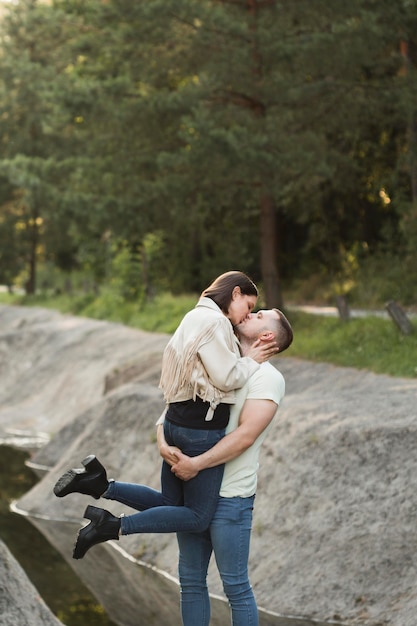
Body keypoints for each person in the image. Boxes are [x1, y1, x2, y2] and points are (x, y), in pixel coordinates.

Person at [53, 271, 278, 559]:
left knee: (169, 501)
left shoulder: (193, 317)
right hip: (200, 429)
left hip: (175, 420)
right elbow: (225, 378)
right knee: (197, 517)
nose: (245, 315)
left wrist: (163, 431)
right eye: (247, 307)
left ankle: (98, 483)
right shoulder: (215, 322)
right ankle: (112, 525)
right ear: (234, 294)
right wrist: (252, 361)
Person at [159, 308, 293, 626]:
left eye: (259, 314)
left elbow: (245, 436)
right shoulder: (219, 364)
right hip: (193, 492)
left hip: (230, 498)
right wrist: (162, 443)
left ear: (267, 336)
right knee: (190, 582)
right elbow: (175, 408)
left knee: (235, 587)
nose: (250, 312)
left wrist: (197, 464)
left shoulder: (268, 378)